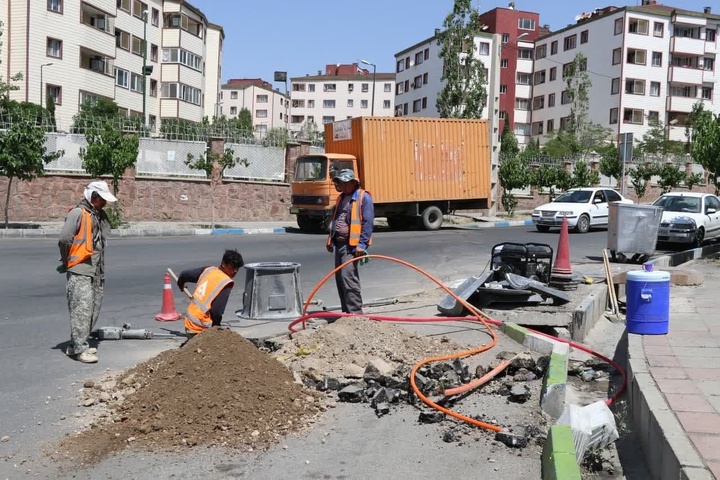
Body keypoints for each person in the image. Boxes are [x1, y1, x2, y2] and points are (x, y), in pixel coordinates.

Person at [58, 180, 117, 363]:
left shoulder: (97, 215)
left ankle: (75, 345)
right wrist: (68, 260)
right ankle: (80, 349)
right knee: (81, 310)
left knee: (93, 309)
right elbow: (64, 239)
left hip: (96, 270)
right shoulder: (78, 213)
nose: (105, 203)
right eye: (102, 199)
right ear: (93, 197)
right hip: (81, 269)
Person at [326, 168, 374, 314]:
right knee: (340, 279)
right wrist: (331, 240)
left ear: (354, 183)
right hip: (339, 244)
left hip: (351, 246)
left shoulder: (363, 197)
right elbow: (337, 219)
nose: (343, 186)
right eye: (341, 183)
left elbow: (368, 222)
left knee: (348, 278)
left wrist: (362, 243)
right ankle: (346, 313)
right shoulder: (341, 198)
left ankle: (356, 314)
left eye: (346, 183)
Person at [178, 249, 244, 338]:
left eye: (237, 268)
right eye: (232, 267)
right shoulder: (225, 282)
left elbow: (184, 275)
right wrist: (216, 329)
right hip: (200, 328)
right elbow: (216, 311)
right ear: (224, 264)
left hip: (189, 323)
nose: (235, 271)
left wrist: (181, 284)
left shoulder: (209, 270)